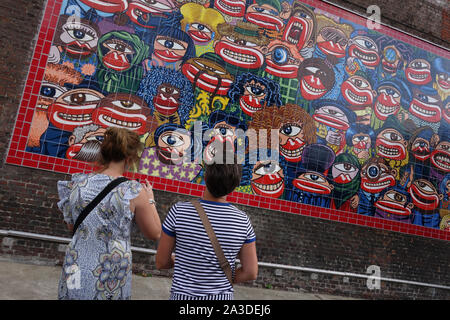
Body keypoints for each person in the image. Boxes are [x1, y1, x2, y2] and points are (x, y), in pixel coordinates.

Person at [56, 127, 161, 300]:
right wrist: (150, 199)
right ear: (130, 158)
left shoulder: (77, 184)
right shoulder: (133, 190)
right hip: (110, 272)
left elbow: (71, 226)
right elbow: (154, 233)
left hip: (75, 265)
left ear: (103, 153)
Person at [156, 148, 258, 300]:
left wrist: (180, 260)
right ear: (235, 184)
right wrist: (225, 280)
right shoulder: (243, 221)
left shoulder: (179, 212)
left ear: (206, 175)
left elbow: (161, 262)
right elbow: (251, 272)